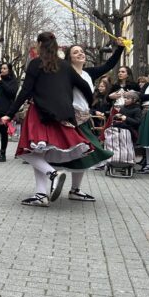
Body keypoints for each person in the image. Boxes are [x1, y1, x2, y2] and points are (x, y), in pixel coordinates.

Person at [0, 32, 93, 207]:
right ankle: (41, 194)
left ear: (40, 45)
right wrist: (89, 101)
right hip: (62, 114)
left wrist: (9, 114)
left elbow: (25, 91)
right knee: (37, 153)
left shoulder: (36, 64)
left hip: (40, 113)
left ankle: (53, 175)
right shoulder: (66, 66)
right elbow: (85, 86)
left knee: (27, 152)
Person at [63, 42, 122, 201]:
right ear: (69, 58)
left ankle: (75, 190)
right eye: (76, 52)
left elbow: (109, 64)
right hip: (68, 119)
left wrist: (120, 48)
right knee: (58, 151)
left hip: (84, 118)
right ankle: (49, 180)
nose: (81, 54)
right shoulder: (65, 73)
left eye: (82, 51)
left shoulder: (88, 73)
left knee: (84, 152)